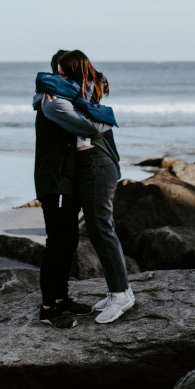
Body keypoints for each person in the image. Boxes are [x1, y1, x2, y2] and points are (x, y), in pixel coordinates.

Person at [32, 49, 134, 328]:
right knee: (60, 243)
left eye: (64, 73)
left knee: (73, 239)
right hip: (57, 178)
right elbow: (93, 125)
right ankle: (50, 307)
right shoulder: (53, 101)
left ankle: (71, 299)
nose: (58, 78)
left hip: (76, 174)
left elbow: (91, 116)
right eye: (56, 73)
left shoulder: (80, 96)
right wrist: (105, 120)